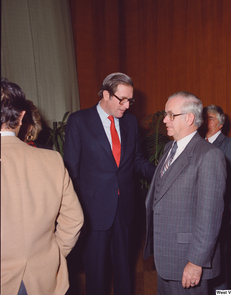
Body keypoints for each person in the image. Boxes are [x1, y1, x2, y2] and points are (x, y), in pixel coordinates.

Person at [64, 72, 156, 295]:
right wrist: (74, 212)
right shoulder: (79, 121)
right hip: (93, 211)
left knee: (124, 268)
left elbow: (136, 160)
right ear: (105, 94)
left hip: (124, 208)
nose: (126, 105)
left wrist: (163, 173)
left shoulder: (130, 122)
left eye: (130, 100)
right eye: (121, 99)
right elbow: (71, 170)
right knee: (96, 271)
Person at [1, 78, 84, 295]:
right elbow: (74, 219)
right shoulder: (52, 160)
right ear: (21, 117)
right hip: (44, 277)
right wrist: (53, 253)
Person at [144, 91, 226, 295]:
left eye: (171, 115)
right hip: (166, 257)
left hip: (187, 260)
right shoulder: (169, 148)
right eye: (165, 114)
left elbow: (209, 216)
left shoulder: (209, 156)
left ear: (190, 118)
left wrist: (196, 262)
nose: (164, 120)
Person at [202, 105, 231, 291]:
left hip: (221, 214)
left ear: (220, 124)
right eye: (202, 117)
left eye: (209, 118)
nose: (204, 122)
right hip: (200, 215)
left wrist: (223, 209)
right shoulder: (197, 144)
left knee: (219, 261)